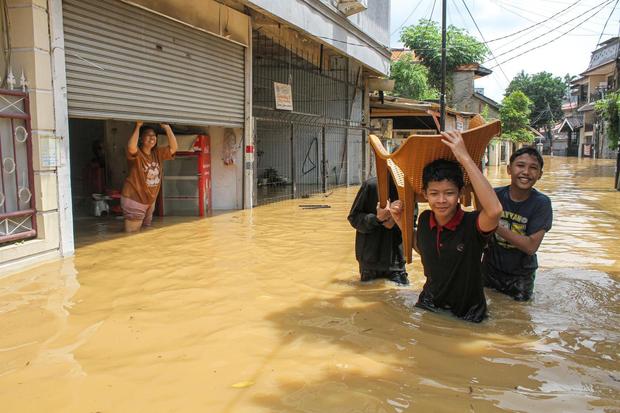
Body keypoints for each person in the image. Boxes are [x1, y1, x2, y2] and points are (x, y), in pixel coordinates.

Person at [389, 130, 502, 322]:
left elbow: (494, 211)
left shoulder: (472, 225)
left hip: (467, 314)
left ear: (459, 193)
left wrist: (464, 157)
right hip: (429, 305)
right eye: (434, 193)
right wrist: (400, 221)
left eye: (449, 193)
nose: (441, 200)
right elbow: (423, 248)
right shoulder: (425, 219)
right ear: (425, 194)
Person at [482, 147, 553, 301]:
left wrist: (494, 225)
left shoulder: (541, 203)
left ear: (540, 175)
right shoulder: (493, 195)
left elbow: (530, 246)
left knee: (519, 318)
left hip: (521, 276)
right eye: (520, 165)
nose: (526, 172)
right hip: (489, 270)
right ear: (509, 169)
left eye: (533, 168)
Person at [347, 175, 410, 285]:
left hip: (396, 262)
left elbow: (412, 222)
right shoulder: (371, 185)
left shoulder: (407, 188)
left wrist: (395, 221)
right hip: (369, 261)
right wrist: (377, 219)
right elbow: (354, 218)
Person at [121, 121, 178, 233]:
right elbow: (131, 146)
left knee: (145, 232)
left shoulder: (157, 153)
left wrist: (167, 128)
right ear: (141, 139)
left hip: (149, 201)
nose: (152, 137)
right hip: (135, 199)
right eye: (148, 135)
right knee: (132, 236)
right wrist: (138, 126)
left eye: (154, 135)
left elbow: (174, 148)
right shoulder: (137, 154)